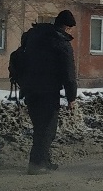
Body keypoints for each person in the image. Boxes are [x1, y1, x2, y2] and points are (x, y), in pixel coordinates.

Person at [20, 9, 78, 175]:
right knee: (47, 129)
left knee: (40, 127)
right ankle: (36, 164)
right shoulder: (62, 44)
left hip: (29, 88)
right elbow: (69, 75)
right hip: (47, 91)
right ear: (67, 27)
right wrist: (71, 98)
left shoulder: (35, 35)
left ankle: (44, 160)